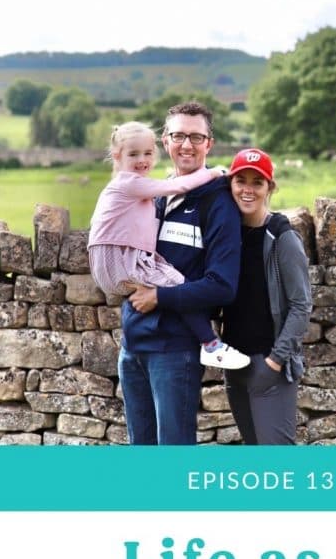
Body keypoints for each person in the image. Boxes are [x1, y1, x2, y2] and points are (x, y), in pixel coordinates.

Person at [117, 102, 244, 445]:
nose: (186, 144)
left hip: (174, 351)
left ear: (209, 144)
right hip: (132, 345)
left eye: (196, 137)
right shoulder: (153, 196)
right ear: (165, 140)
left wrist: (159, 296)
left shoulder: (218, 205)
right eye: (178, 136)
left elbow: (223, 286)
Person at [88, 120, 248, 371]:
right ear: (117, 156)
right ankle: (211, 344)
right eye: (133, 154)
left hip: (159, 339)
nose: (142, 160)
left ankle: (210, 344)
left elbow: (222, 285)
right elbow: (177, 186)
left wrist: (158, 296)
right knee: (175, 280)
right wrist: (214, 173)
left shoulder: (132, 188)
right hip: (120, 268)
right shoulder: (134, 184)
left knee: (166, 280)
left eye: (147, 153)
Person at [221, 148, 312, 445]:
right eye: (241, 181)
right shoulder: (226, 233)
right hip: (234, 367)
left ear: (269, 188)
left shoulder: (282, 237)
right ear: (230, 185)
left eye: (257, 182)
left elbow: (301, 305)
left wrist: (275, 361)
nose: (248, 189)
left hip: (268, 366)